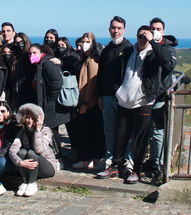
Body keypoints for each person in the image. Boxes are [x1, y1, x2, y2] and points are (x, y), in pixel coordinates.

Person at [96, 25, 173, 184]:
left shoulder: (153, 53)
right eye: (140, 35)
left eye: (145, 36)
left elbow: (166, 61)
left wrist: (154, 42)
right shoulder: (129, 51)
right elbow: (118, 71)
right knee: (120, 136)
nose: (142, 38)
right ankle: (116, 166)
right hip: (124, 100)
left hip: (143, 102)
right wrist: (118, 90)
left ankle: (136, 170)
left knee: (140, 139)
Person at [142, 17, 177, 179]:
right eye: (152, 28)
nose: (154, 31)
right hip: (145, 95)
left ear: (163, 31)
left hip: (160, 96)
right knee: (146, 131)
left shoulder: (168, 48)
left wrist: (155, 44)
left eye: (158, 29)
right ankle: (151, 160)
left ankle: (158, 163)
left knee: (157, 132)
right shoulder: (146, 46)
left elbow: (168, 65)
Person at [97, 16, 133, 170]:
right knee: (109, 128)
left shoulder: (129, 49)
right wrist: (99, 94)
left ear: (124, 29)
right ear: (109, 29)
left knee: (125, 130)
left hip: (123, 97)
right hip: (106, 95)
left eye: (119, 28)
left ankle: (125, 159)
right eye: (113, 27)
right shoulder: (106, 50)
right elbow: (101, 73)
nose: (115, 30)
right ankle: (110, 156)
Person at [9, 103, 59, 197]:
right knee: (21, 152)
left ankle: (32, 183)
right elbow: (12, 150)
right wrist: (19, 162)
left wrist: (38, 130)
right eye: (27, 118)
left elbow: (39, 150)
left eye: (32, 118)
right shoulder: (23, 131)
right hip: (30, 167)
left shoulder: (46, 131)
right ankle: (25, 182)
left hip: (47, 166)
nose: (29, 121)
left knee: (32, 153)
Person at [71, 33, 104, 169]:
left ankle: (89, 159)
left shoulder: (93, 60)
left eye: (87, 41)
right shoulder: (86, 58)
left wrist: (85, 102)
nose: (84, 44)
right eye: (83, 41)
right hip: (87, 102)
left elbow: (92, 83)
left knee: (88, 131)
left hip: (90, 103)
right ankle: (92, 158)